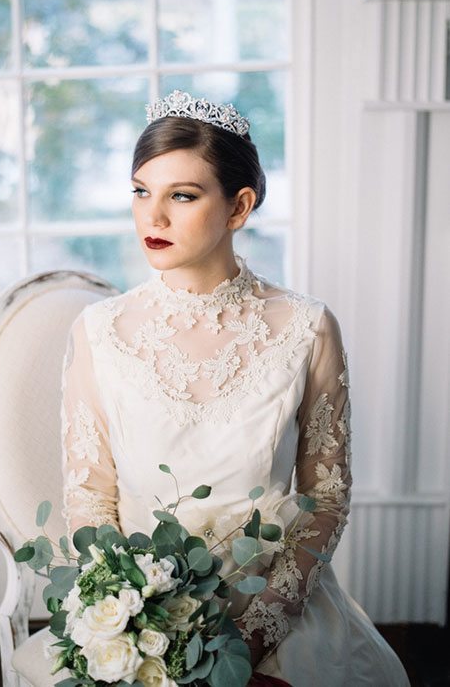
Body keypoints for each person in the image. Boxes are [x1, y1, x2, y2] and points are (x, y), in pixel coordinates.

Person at [61, 90, 410, 686]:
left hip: (278, 611)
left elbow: (325, 498)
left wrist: (256, 629)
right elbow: (89, 501)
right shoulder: (100, 332)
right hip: (142, 629)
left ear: (239, 206)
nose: (154, 217)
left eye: (183, 196)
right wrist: (139, 624)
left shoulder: (307, 328)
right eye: (142, 192)